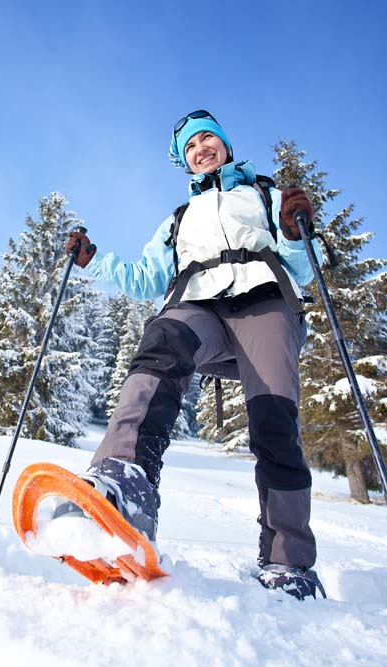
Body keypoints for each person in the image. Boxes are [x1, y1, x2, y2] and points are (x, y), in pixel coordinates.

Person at [64, 110, 324, 600]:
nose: (201, 148)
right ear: (184, 162)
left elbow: (305, 268)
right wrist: (94, 262)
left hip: (265, 301)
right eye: (190, 147)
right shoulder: (179, 220)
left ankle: (288, 561)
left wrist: (292, 233)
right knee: (162, 339)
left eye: (207, 139)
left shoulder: (264, 195)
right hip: (198, 302)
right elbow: (144, 279)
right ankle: (124, 486)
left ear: (225, 145)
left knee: (275, 423)